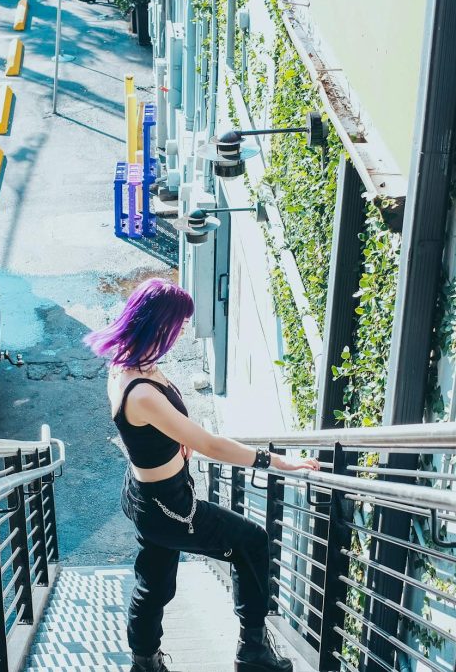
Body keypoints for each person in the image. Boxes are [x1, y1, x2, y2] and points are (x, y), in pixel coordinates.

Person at [85, 278, 322, 672]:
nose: (177, 336)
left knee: (156, 583)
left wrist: (173, 442)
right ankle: (253, 652)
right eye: (175, 327)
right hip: (167, 504)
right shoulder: (139, 390)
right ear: (156, 324)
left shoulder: (129, 363)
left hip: (150, 492)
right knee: (251, 542)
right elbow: (212, 445)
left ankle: (146, 663)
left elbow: (153, 429)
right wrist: (276, 461)